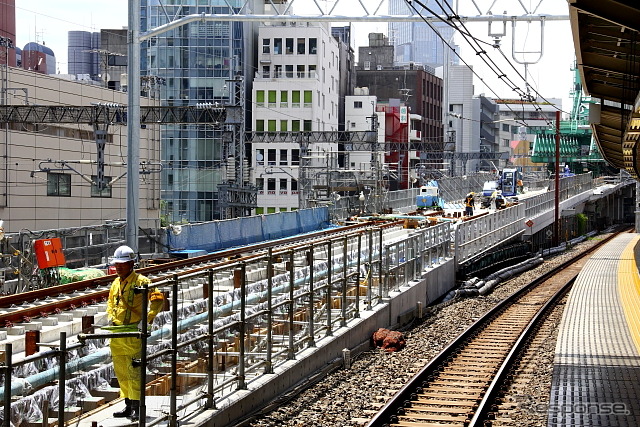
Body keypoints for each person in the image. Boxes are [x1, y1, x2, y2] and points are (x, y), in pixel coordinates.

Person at [106, 246, 164, 421]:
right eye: (117, 264)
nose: (119, 267)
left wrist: (147, 320)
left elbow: (158, 300)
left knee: (134, 372)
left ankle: (138, 407)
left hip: (132, 332)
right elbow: (110, 302)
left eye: (122, 264)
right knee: (121, 371)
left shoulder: (142, 282)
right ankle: (128, 404)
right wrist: (110, 317)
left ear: (132, 263)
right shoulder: (116, 283)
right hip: (117, 333)